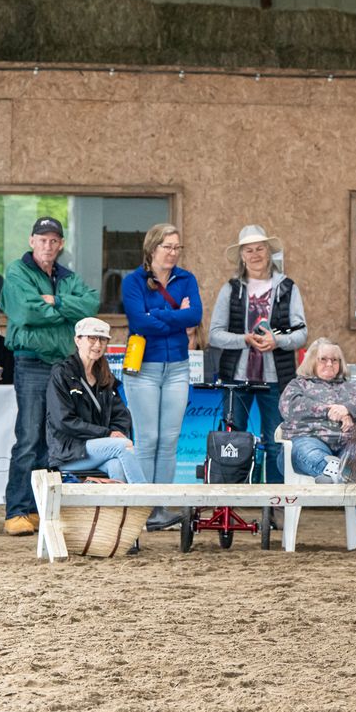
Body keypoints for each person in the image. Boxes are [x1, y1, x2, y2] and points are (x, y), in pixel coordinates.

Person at [0, 217, 100, 537]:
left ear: (61, 244)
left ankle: (39, 509)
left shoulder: (67, 277)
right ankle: (17, 510)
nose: (48, 245)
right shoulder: (17, 272)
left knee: (52, 440)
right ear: (32, 241)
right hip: (31, 364)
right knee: (29, 437)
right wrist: (65, 313)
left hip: (63, 367)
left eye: (54, 240)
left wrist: (55, 301)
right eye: (42, 239)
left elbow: (90, 305)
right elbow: (25, 312)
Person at [209, 225, 307, 486]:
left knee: (275, 442)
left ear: (269, 252)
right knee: (232, 441)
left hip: (276, 380)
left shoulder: (287, 288)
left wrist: (277, 341)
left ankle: (274, 503)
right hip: (237, 378)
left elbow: (302, 334)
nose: (255, 254)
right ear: (242, 256)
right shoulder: (231, 289)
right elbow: (214, 334)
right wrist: (244, 339)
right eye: (249, 250)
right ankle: (230, 501)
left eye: (260, 248)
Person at [121, 224, 203, 530]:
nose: (172, 253)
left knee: (169, 440)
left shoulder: (187, 279)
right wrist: (175, 317)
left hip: (178, 367)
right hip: (143, 368)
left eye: (177, 247)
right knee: (147, 440)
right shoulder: (133, 281)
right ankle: (143, 509)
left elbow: (195, 317)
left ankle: (160, 509)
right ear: (152, 248)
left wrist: (158, 316)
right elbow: (138, 322)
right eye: (167, 246)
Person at [279, 337, 356, 555]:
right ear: (312, 361)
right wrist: (331, 410)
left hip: (347, 443)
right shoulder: (298, 385)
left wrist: (348, 410)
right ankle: (332, 469)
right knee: (308, 452)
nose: (329, 364)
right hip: (310, 439)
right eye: (323, 359)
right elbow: (290, 408)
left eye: (335, 360)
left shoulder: (353, 389)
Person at [46, 317, 148, 485]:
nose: (98, 345)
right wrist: (107, 434)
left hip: (97, 449)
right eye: (91, 338)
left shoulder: (105, 376)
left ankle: (117, 511)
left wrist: (115, 432)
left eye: (103, 339)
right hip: (69, 451)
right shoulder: (62, 374)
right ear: (77, 340)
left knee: (117, 465)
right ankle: (148, 501)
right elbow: (63, 421)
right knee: (123, 447)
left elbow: (122, 416)